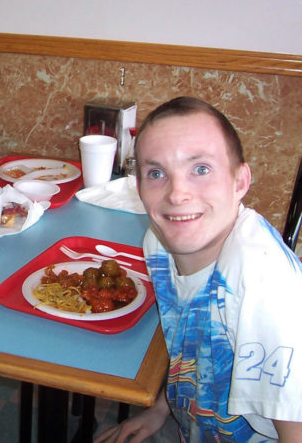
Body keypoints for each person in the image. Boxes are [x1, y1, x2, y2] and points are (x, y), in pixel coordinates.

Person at [97, 97, 302, 442]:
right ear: (139, 188)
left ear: (240, 181)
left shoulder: (263, 286)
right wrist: (160, 410)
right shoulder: (158, 243)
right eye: (157, 173)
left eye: (201, 169)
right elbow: (188, 345)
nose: (178, 194)